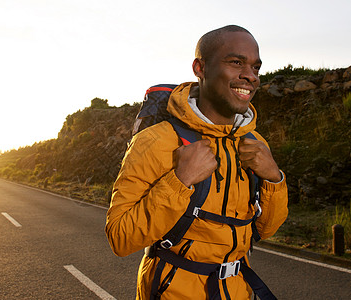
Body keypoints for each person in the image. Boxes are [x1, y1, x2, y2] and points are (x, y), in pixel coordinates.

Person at [105, 25, 288, 299]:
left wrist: (274, 179)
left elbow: (266, 230)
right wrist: (179, 182)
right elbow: (120, 238)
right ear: (200, 68)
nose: (250, 76)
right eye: (236, 62)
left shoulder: (254, 143)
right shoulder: (156, 141)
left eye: (255, 67)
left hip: (240, 291)